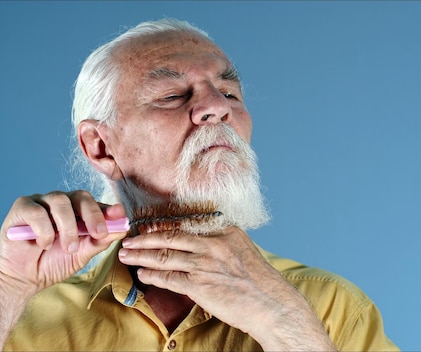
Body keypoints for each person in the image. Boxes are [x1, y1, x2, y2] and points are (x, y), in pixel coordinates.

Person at [0, 18, 398, 351]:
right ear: (100, 146)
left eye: (229, 93)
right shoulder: (20, 315)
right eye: (172, 95)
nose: (218, 107)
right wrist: (8, 283)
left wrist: (286, 324)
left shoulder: (335, 309)